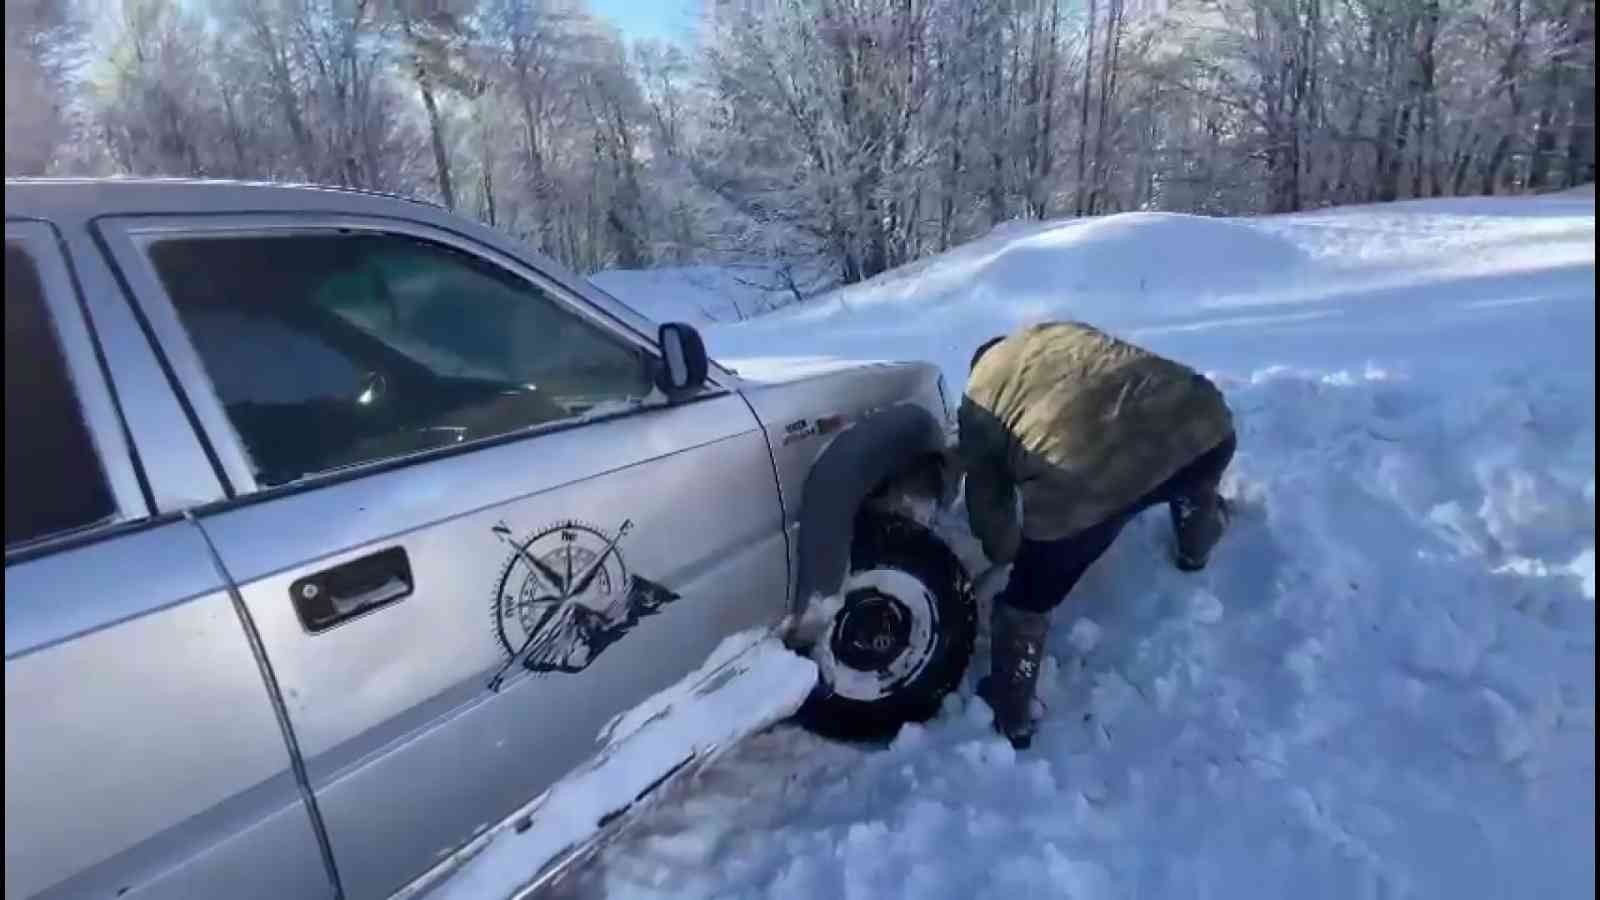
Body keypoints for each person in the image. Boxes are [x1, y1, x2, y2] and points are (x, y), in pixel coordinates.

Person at [960, 322, 1236, 749]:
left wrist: (1012, 552)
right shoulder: (1055, 330)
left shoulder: (979, 396)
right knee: (1190, 473)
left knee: (1025, 604)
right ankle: (1197, 543)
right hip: (1205, 421)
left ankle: (1011, 710)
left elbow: (987, 498)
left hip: (1082, 483)